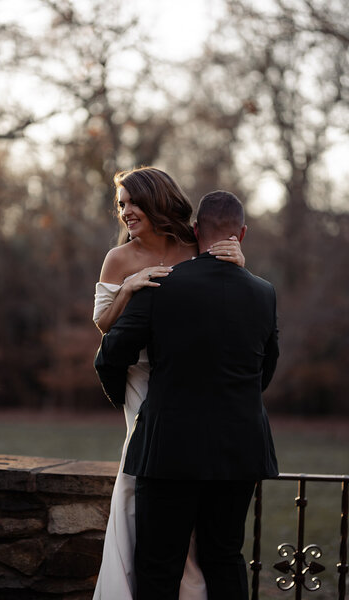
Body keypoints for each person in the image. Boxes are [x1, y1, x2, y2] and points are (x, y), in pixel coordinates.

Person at [95, 190, 279, 600]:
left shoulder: (161, 284)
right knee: (225, 557)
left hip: (167, 449)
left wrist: (135, 406)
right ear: (242, 235)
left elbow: (108, 357)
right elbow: (265, 369)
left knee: (159, 566)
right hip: (240, 447)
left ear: (196, 231)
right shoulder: (264, 292)